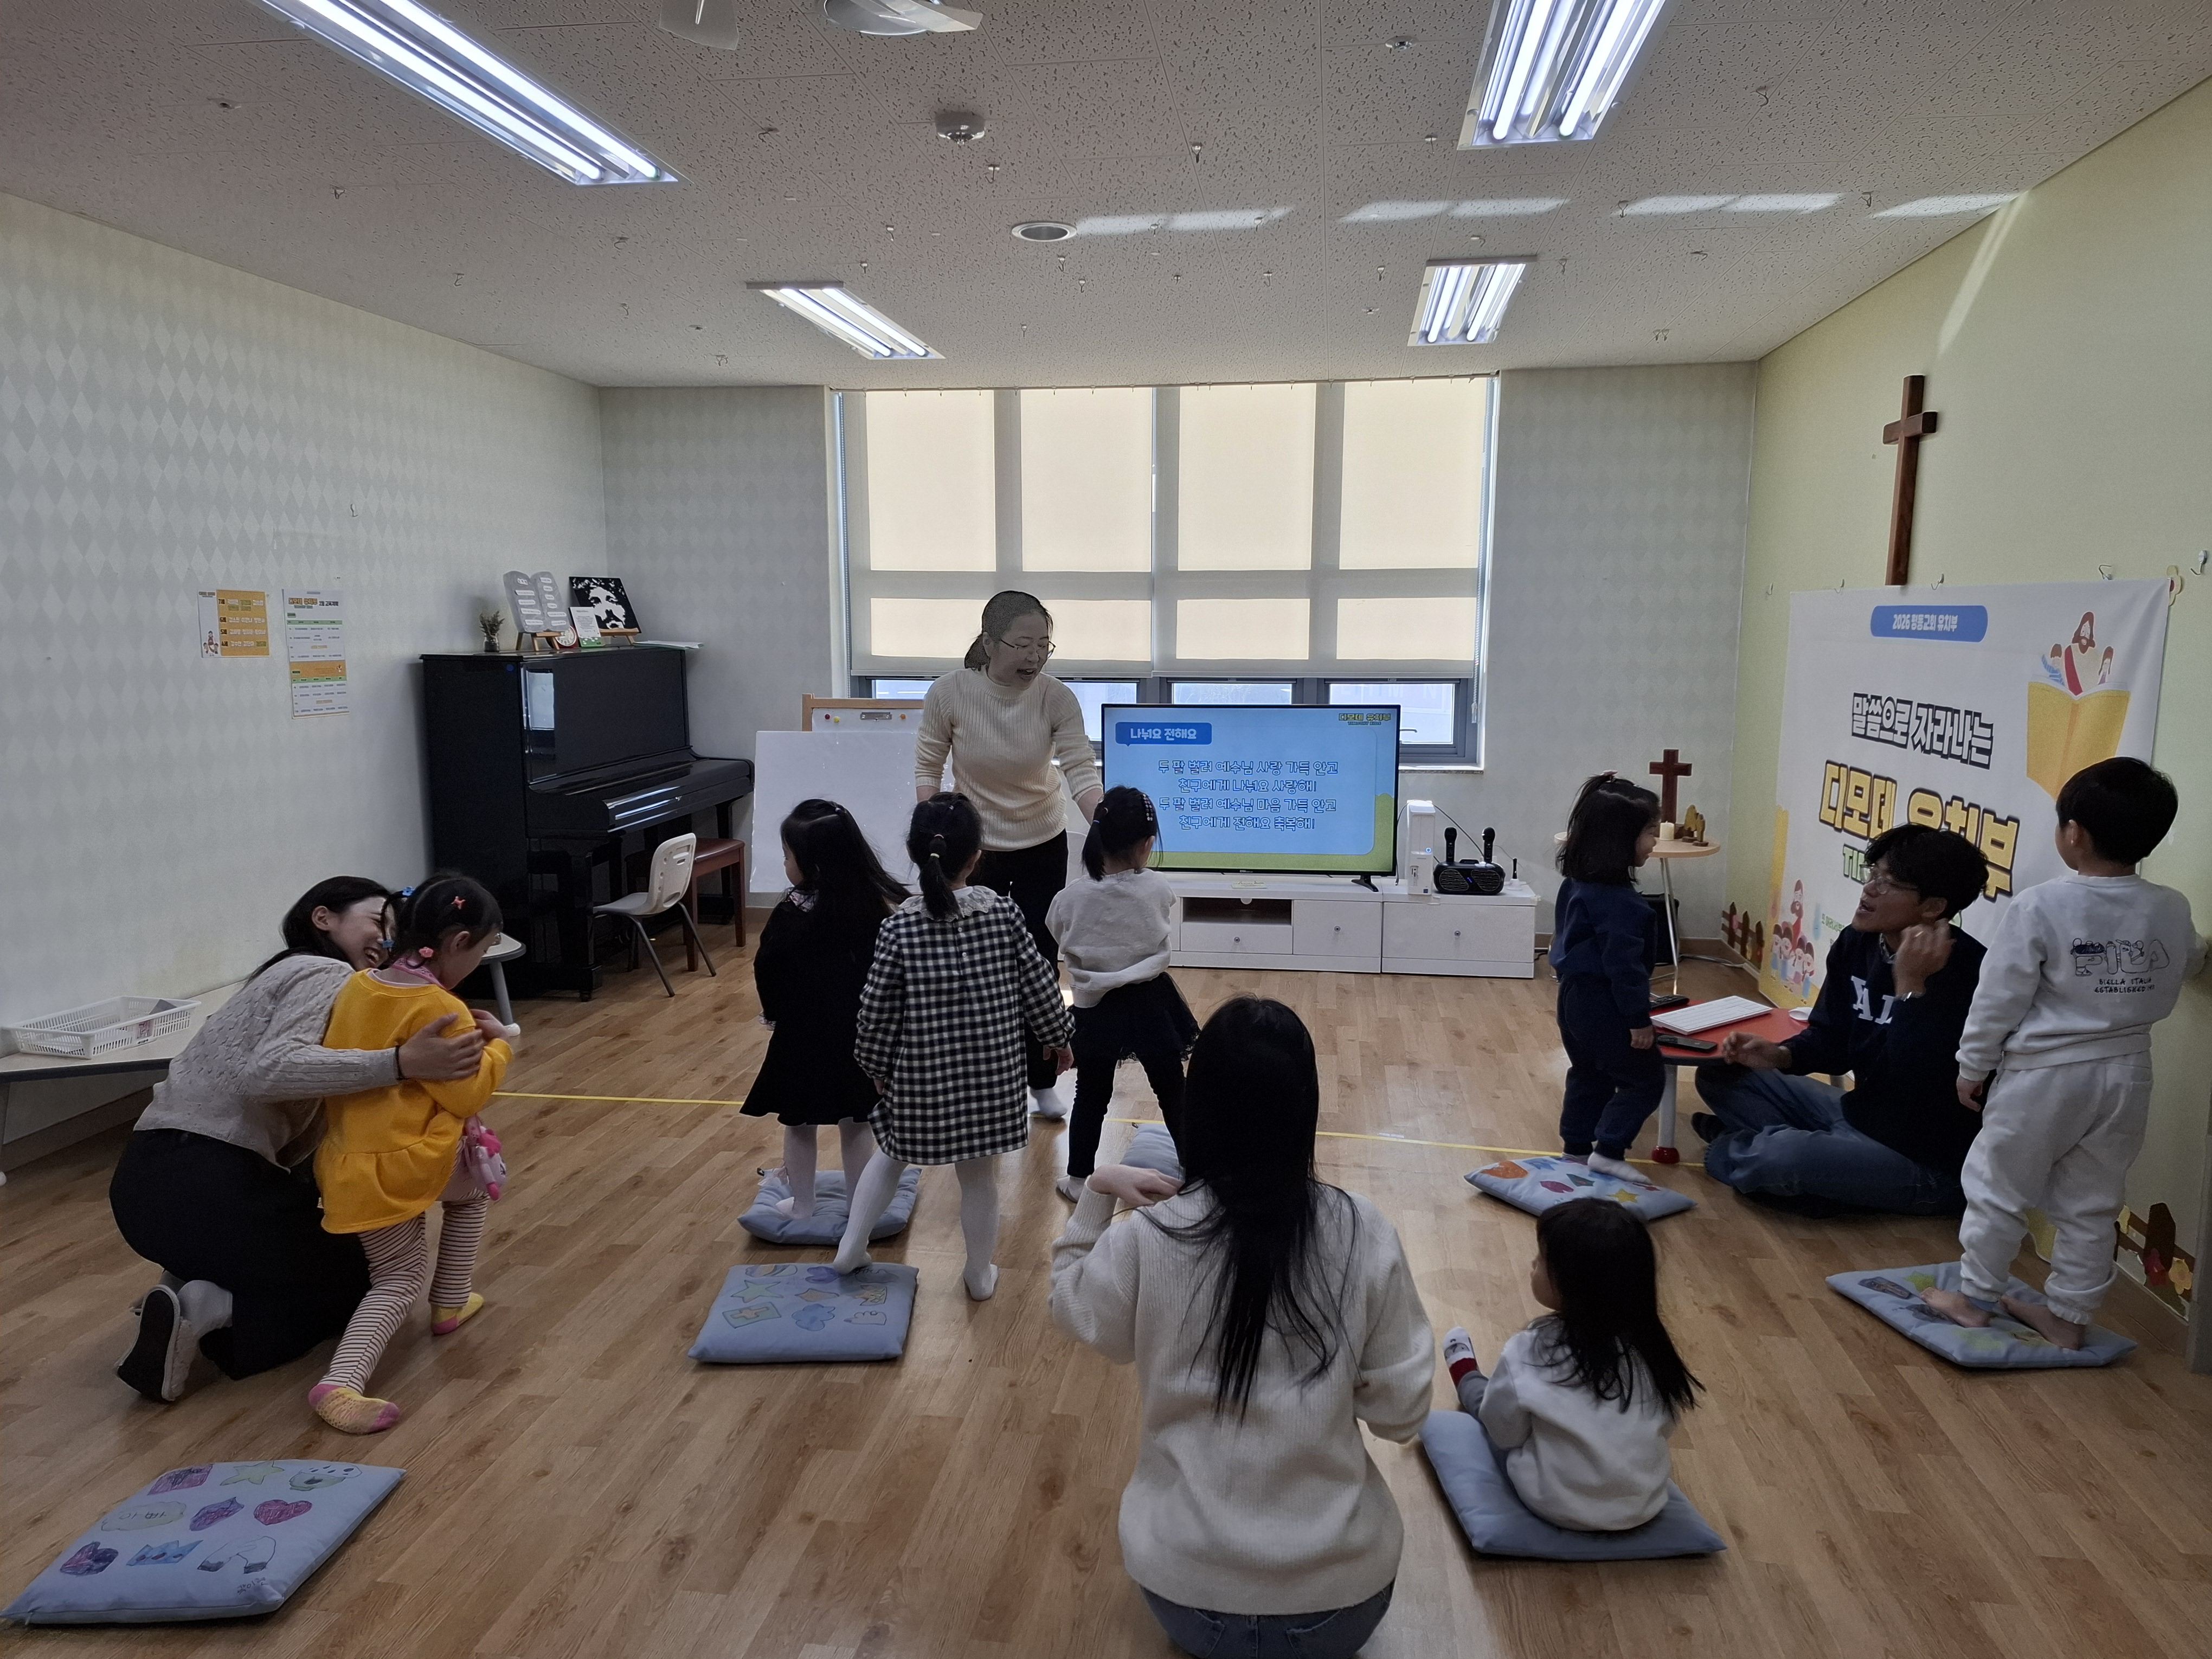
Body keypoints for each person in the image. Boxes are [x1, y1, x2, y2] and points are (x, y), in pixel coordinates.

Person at [1050, 998, 1432, 1659]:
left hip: (1189, 1602)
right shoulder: (1362, 1229)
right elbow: (1402, 1415)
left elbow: (1075, 1308)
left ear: (1199, 1108)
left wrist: (1100, 1187)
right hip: (1342, 1605)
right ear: (1305, 1108)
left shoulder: (1151, 1235)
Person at [110, 877, 487, 1404]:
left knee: (331, 1248)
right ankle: (206, 1308)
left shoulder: (304, 984)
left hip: (146, 1185)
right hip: (208, 1182)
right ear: (324, 918)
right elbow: (269, 1072)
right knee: (371, 1280)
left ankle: (186, 1284)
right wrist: (402, 1063)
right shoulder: (325, 972)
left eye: (394, 927)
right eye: (377, 920)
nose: (387, 938)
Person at [1925, 759, 2206, 1347]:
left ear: (2073, 833)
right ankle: (2069, 1318)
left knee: (1999, 1185)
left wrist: (1972, 1066)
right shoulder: (2171, 905)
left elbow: (1998, 998)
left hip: (2043, 1075)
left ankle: (1974, 1299)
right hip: (2128, 1074)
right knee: (2093, 1202)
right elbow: (2190, 957)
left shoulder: (2040, 905)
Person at [833, 794, 1075, 1299]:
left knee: (890, 1156)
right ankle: (978, 1274)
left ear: (913, 851)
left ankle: (851, 1248)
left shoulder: (900, 927)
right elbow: (1040, 984)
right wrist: (1058, 1038)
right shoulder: (1003, 915)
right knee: (979, 1178)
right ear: (977, 857)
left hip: (922, 1079)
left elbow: (876, 1008)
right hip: (992, 1079)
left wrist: (874, 1065)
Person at [1693, 824, 1989, 1217]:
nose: (1869, 889)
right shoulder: (1857, 941)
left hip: (1924, 1157)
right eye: (1873, 874)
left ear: (1933, 907)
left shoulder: (1974, 973)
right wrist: (1780, 1055)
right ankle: (1811, 1167)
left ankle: (1741, 1150)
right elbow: (1832, 1039)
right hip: (1858, 1113)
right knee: (1720, 1073)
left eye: (1888, 883)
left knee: (1779, 1157)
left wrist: (1910, 988)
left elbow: (1916, 1080)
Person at [309, 875, 513, 1433]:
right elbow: (467, 1096)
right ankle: (340, 1384)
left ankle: (451, 1300)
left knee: (470, 1192)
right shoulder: (440, 1007)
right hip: (407, 1163)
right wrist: (500, 1048)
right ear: (457, 942)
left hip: (352, 1161)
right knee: (398, 1280)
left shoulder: (358, 985)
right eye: (481, 951)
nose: (477, 963)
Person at [914, 590, 1103, 1120]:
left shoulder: (1056, 698)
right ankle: (976, 1080)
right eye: (1023, 645)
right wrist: (933, 826)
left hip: (1042, 841)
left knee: (1039, 960)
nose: (1035, 656)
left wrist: (1104, 823)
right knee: (974, 964)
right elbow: (929, 765)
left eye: (1044, 644)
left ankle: (1041, 1081)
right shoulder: (949, 693)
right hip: (975, 850)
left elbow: (1080, 767)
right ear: (990, 641)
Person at [1441, 1198, 1700, 1532]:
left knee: (1488, 1406)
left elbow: (1504, 1434)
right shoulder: (1653, 1348)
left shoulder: (1530, 1348)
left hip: (1552, 1502)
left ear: (1573, 1282)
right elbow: (1663, 1427)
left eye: (1541, 1260)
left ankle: (1466, 1374)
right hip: (1642, 1505)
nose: (1532, 1264)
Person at [740, 799, 908, 1218]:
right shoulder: (871, 908)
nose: (784, 864)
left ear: (811, 864)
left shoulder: (790, 914)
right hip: (858, 1038)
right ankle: (858, 1206)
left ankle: (803, 1206)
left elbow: (766, 967)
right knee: (857, 1123)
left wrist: (774, 1012)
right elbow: (888, 974)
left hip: (800, 1037)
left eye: (787, 857)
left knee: (799, 1124)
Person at [1044, 786, 1195, 1204]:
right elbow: (1160, 914)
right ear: (1147, 844)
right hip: (1152, 1003)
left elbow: (1056, 929)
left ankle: (1078, 1179)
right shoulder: (1157, 888)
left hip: (1097, 1009)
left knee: (1092, 1094)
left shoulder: (1069, 899)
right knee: (1173, 1089)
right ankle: (1196, 1173)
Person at [1550, 782, 1664, 1178]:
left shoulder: (1576, 884)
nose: (1655, 842)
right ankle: (1610, 1151)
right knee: (1645, 1079)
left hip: (1572, 998)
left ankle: (1576, 1150)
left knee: (1589, 1073)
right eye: (1651, 832)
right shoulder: (1623, 904)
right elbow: (1625, 970)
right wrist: (1638, 1021)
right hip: (1606, 1003)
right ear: (1620, 841)